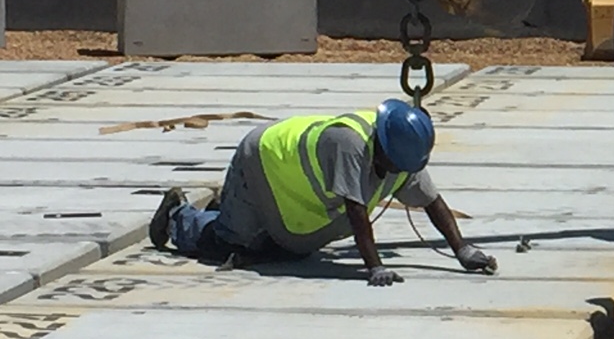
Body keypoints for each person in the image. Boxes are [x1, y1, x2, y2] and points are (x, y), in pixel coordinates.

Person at [147, 99, 497, 284]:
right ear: (384, 150)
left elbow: (433, 202)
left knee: (286, 251)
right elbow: (357, 212)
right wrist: (373, 268)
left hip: (285, 190)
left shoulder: (401, 158)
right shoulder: (349, 144)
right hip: (262, 160)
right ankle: (178, 216)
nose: (400, 174)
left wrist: (463, 250)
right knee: (228, 242)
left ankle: (234, 204)